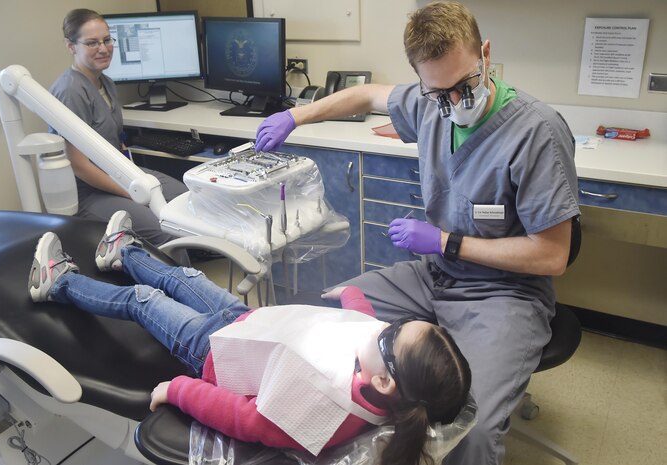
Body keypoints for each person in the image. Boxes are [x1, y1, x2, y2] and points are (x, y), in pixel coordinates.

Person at [254, 2, 581, 465]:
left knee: (475, 426)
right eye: (438, 92)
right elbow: (366, 95)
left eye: (465, 85)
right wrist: (297, 116)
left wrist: (447, 241)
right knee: (324, 315)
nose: (454, 102)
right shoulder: (430, 106)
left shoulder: (537, 133)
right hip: (436, 274)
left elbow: (552, 256)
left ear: (485, 54)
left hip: (506, 294)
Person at [27, 210, 471, 465]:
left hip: (212, 352)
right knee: (184, 276)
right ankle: (121, 251)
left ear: (384, 383)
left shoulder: (326, 409)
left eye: (393, 332)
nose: (386, 326)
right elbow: (364, 322)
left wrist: (179, 389)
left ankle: (58, 283)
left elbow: (246, 419)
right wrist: (351, 294)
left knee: (142, 301)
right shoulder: (381, 363)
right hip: (249, 322)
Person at [48, 9, 187, 246]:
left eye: (106, 40)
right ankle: (177, 278)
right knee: (165, 230)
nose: (103, 49)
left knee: (186, 199)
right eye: (92, 43)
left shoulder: (106, 82)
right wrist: (134, 194)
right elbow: (80, 167)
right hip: (90, 193)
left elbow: (115, 139)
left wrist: (135, 182)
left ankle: (187, 264)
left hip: (123, 174)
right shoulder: (70, 91)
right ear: (71, 46)